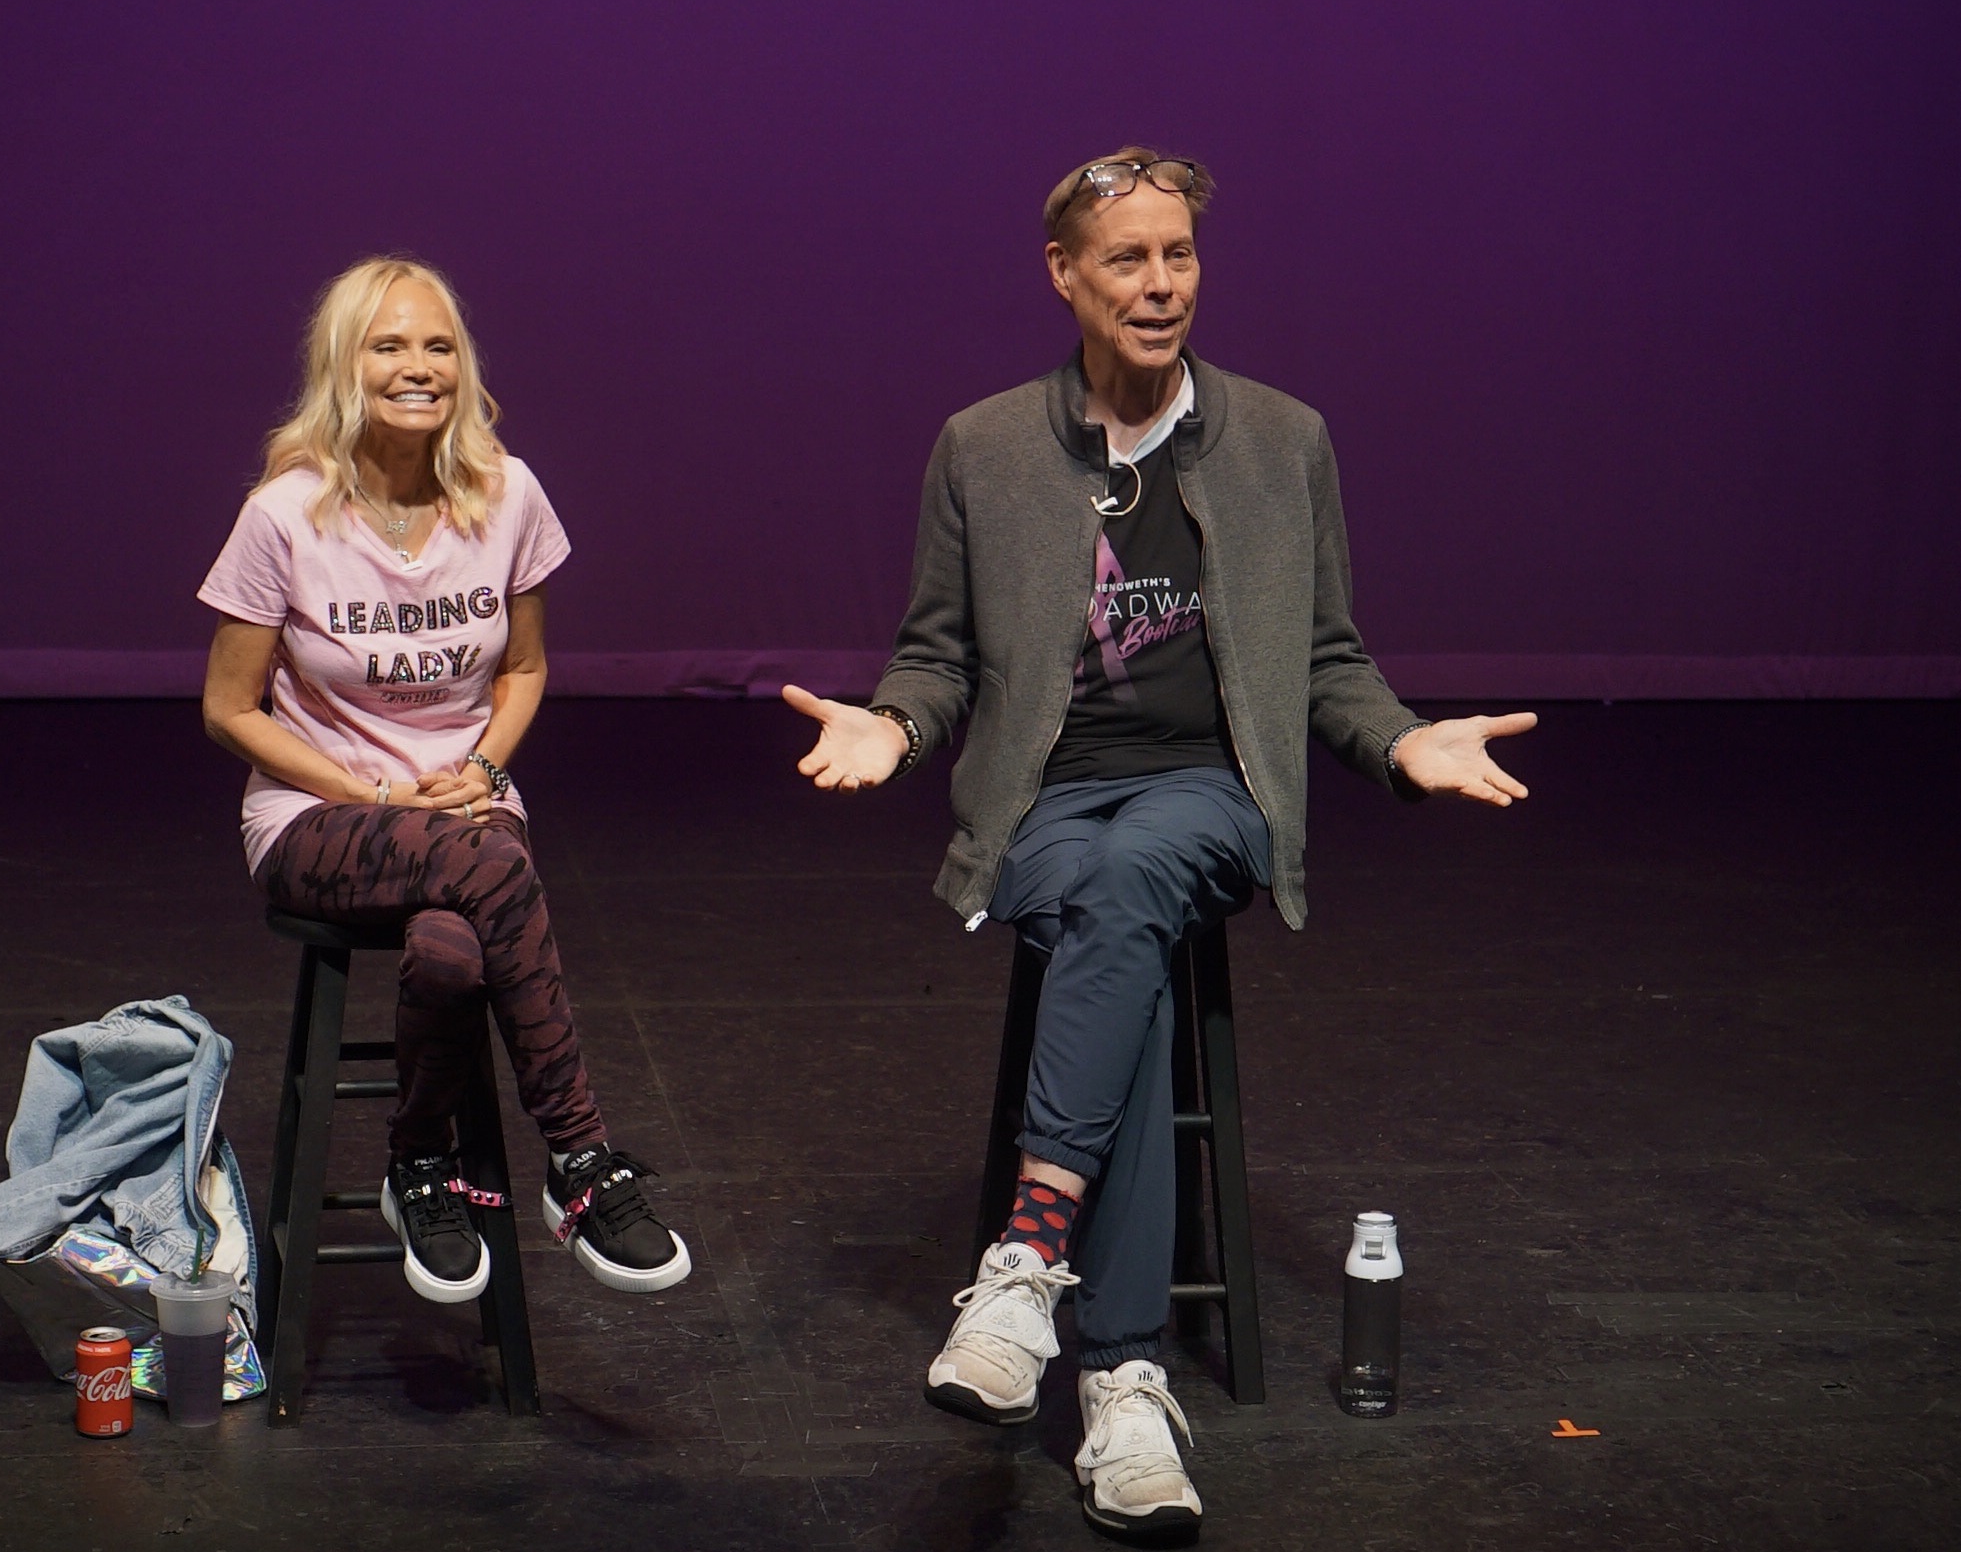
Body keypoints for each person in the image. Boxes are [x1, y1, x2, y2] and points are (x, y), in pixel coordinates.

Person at [783, 148, 1535, 1540]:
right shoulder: (986, 445)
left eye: (1179, 254)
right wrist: (895, 725)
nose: (1159, 283)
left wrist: (1402, 744)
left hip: (1208, 790)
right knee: (1100, 920)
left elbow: (1326, 658)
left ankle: (1026, 1269)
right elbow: (936, 656)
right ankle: (1123, 1380)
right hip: (1044, 803)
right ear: (1063, 276)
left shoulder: (1281, 439)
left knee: (1131, 880)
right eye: (1127, 258)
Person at [198, 255, 689, 1304]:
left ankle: (418, 1160)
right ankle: (581, 1162)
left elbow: (524, 668)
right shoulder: (283, 515)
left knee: (454, 949)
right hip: (320, 817)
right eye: (389, 346)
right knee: (486, 874)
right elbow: (228, 709)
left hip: (464, 801)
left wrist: (477, 768)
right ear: (344, 365)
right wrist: (365, 790)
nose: (419, 367)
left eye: (438, 346)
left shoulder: (507, 496)